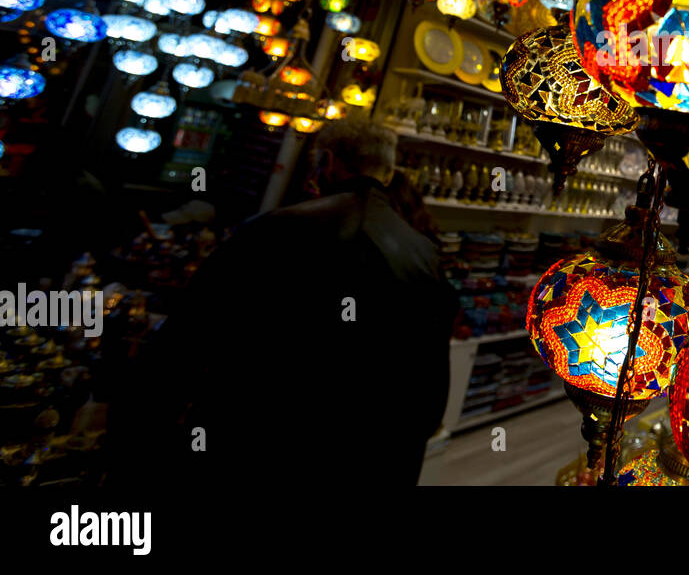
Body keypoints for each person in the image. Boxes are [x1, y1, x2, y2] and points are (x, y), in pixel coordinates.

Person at [109, 119, 458, 487]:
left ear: (326, 161)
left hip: (258, 445)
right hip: (368, 454)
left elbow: (186, 341)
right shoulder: (424, 254)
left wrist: (137, 439)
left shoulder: (276, 228)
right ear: (387, 174)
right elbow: (431, 385)